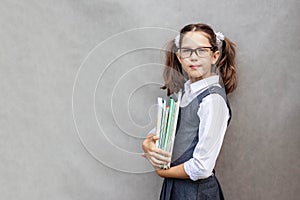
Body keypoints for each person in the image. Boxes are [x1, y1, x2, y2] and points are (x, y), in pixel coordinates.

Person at [142, 23, 237, 200]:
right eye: (187, 51)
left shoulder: (213, 101)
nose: (193, 57)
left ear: (214, 56)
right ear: (179, 57)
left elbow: (202, 167)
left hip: (195, 193)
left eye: (201, 50)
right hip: (174, 188)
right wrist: (147, 143)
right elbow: (163, 132)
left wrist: (164, 173)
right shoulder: (184, 93)